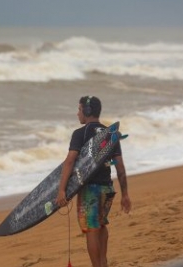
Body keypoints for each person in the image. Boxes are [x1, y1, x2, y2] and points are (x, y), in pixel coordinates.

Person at [56, 95, 131, 267]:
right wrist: (125, 194)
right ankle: (103, 263)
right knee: (101, 224)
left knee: (92, 228)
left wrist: (61, 190)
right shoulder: (110, 134)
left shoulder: (79, 134)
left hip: (89, 190)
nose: (77, 114)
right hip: (107, 188)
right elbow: (120, 167)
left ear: (87, 111)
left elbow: (69, 161)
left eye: (79, 109)